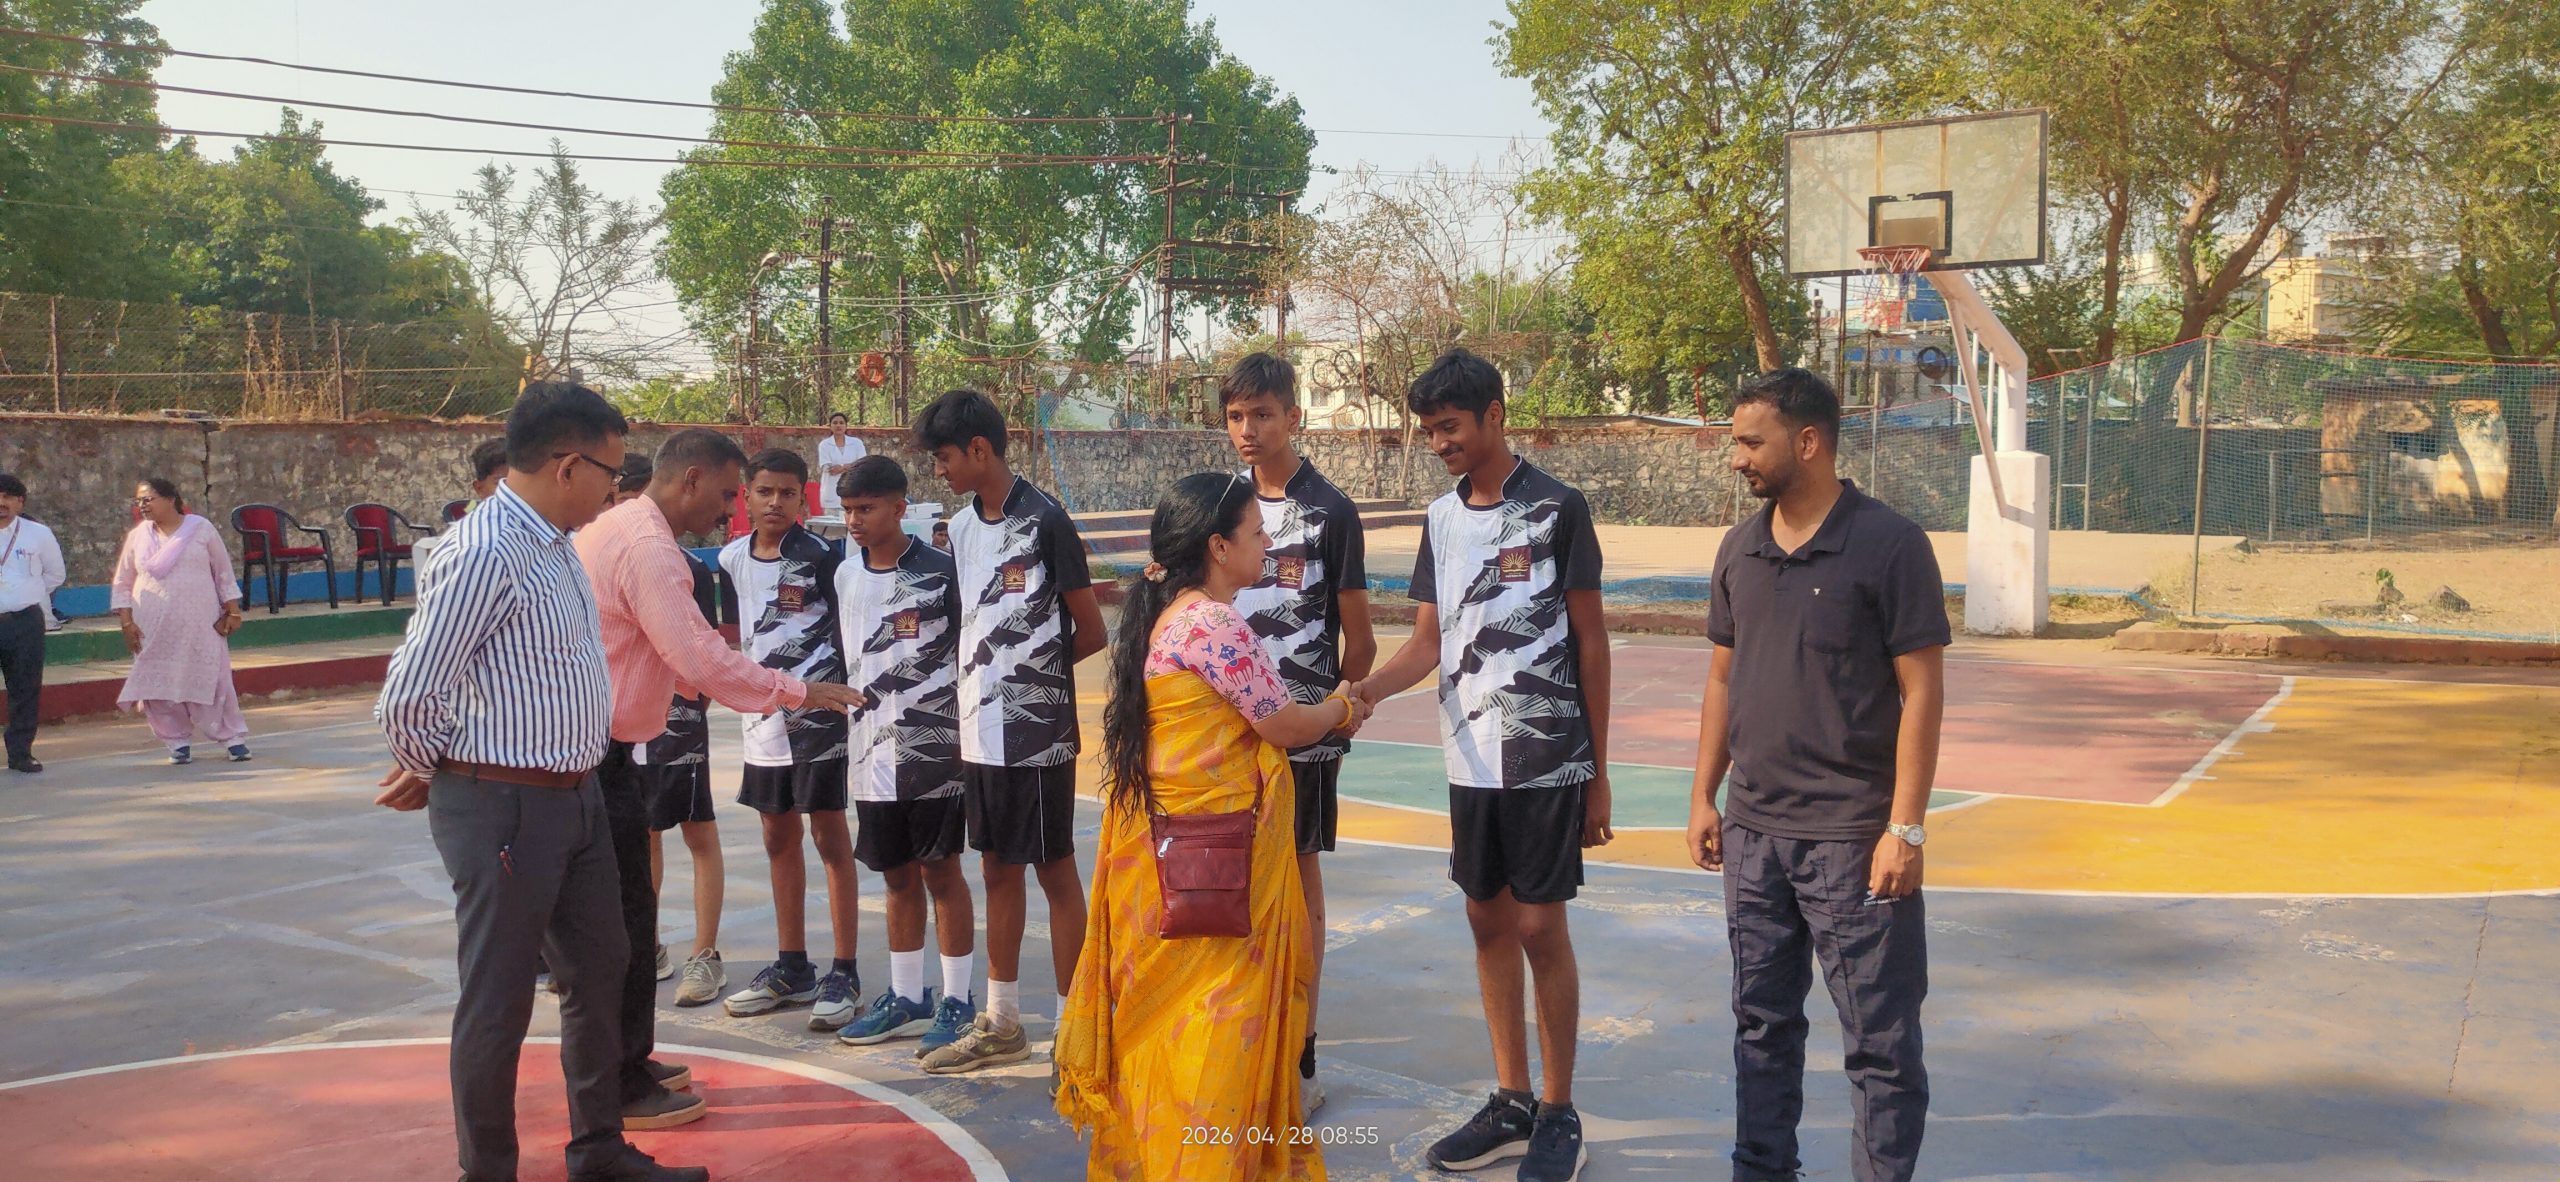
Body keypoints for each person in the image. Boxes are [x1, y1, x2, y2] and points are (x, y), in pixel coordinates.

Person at [372, 382, 708, 1182]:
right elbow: (410, 693)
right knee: (498, 1000)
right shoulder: (484, 551)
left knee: (600, 969)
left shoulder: (557, 545)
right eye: (611, 474)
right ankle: (487, 1170)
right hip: (504, 803)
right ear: (567, 466)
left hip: (575, 793)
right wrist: (437, 766)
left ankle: (598, 1150)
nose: (615, 491)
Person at [1054, 471, 1366, 1181]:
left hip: (1166, 858)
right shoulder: (1214, 626)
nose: (1267, 543)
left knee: (1165, 1025)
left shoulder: (1169, 616)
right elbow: (1283, 725)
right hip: (1218, 867)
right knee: (1218, 1028)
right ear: (1219, 547)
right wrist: (1343, 707)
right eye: (1256, 533)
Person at [1354, 349, 1611, 1182]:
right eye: (1430, 431)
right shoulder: (1440, 519)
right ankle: (1510, 1100)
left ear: (1495, 416)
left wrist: (1598, 771)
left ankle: (1559, 1111)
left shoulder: (1558, 508)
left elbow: (1591, 642)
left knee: (1539, 927)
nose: (1439, 443)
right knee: (1485, 920)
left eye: (1450, 427)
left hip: (1546, 755)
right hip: (1469, 758)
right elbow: (1427, 643)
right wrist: (1365, 692)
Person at [1686, 368, 1947, 1182]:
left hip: (1853, 842)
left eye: (1750, 441)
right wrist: (1703, 795)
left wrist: (1905, 828)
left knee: (1880, 1044)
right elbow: (1722, 679)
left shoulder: (1890, 545)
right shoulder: (1740, 548)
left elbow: (1922, 690)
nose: (1737, 458)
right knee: (1761, 1027)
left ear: (1807, 442)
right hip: (1755, 837)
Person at [575, 429, 867, 1130]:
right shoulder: (652, 549)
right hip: (600, 751)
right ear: (692, 480)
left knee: (628, 917)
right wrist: (797, 691)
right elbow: (700, 657)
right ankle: (615, 1089)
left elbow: (685, 657)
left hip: (612, 744)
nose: (734, 508)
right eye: (734, 493)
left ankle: (627, 1063)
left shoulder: (624, 528)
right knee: (617, 925)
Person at [912, 388, 1106, 1074]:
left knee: (1055, 870)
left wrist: (1032, 685)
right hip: (978, 733)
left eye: (944, 458)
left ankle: (1076, 1031)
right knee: (996, 867)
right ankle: (1002, 1022)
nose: (939, 470)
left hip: (1038, 734)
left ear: (979, 449)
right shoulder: (961, 530)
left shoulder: (1046, 521)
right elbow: (973, 627)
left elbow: (1092, 630)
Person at [1219, 352, 1374, 1114]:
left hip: (1303, 736)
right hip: (1227, 735)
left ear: (1294, 416)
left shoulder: (1329, 512)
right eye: (1236, 416)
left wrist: (1334, 715)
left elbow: (1359, 641)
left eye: (1263, 414)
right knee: (1235, 890)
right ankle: (1244, 1045)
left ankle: (1301, 1054)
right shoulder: (1222, 505)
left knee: (1299, 884)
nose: (1248, 430)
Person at [829, 456, 981, 1054]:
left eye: (865, 509)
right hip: (869, 754)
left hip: (934, 752)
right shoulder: (845, 574)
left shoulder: (943, 573)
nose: (855, 521)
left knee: (940, 872)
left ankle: (958, 1000)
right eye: (847, 510)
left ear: (899, 508)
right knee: (894, 875)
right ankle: (907, 996)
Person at [715, 448, 864, 1030]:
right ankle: (792, 965)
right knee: (777, 835)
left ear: (804, 498)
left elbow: (847, 631)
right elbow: (739, 636)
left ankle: (845, 970)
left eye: (786, 493)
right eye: (764, 491)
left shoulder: (825, 559)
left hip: (817, 718)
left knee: (829, 836)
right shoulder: (732, 558)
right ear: (746, 496)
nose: (775, 502)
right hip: (762, 717)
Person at [641, 544, 728, 1008]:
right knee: (642, 834)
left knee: (698, 831)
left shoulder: (688, 567)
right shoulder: (602, 553)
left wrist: (689, 712)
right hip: (623, 718)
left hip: (678, 717)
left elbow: (707, 651)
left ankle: (705, 954)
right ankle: (647, 947)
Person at [111, 478, 251, 766]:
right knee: (159, 684)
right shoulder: (138, 536)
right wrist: (126, 623)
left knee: (214, 678)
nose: (142, 505)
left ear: (171, 499)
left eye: (148, 499)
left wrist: (233, 611)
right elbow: (123, 582)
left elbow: (223, 572)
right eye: (138, 501)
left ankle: (232, 738)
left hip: (200, 622)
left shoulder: (201, 529)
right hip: (152, 625)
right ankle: (176, 741)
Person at [0, 473, 65, 773]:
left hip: (24, 620)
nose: (1, 503)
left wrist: (28, 593)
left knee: (25, 688)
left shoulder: (38, 534)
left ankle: (20, 753)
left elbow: (55, 574)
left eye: (8, 497)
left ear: (20, 502)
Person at [814, 412, 868, 535]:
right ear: (830, 426)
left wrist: (842, 467)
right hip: (831, 493)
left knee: (852, 529)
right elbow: (829, 468)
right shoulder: (824, 445)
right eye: (835, 423)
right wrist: (851, 466)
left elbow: (863, 464)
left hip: (853, 491)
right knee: (832, 533)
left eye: (841, 423)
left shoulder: (856, 443)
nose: (838, 425)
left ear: (846, 426)